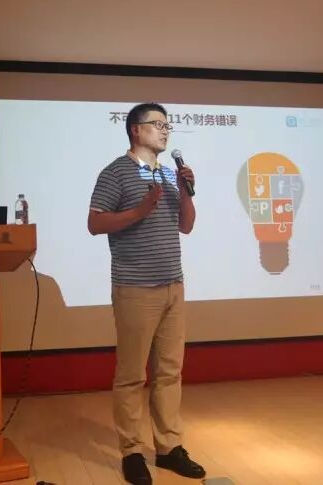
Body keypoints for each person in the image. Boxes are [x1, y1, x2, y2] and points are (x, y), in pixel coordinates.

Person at [88, 103, 205, 484]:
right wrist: (139, 210)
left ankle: (169, 448)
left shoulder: (170, 175)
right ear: (136, 131)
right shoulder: (115, 172)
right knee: (131, 376)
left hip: (173, 284)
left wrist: (186, 192)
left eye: (168, 125)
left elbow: (186, 226)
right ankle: (132, 452)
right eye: (158, 124)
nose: (165, 130)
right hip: (135, 287)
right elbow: (95, 223)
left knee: (169, 373)